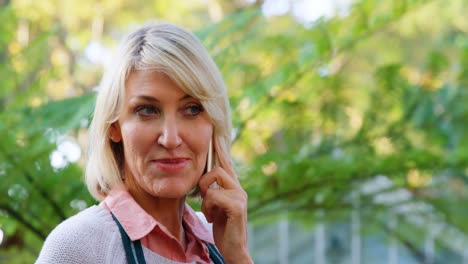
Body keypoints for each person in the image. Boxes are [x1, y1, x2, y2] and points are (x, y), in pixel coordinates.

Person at [36, 22, 252, 264]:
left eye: (192, 109)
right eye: (147, 110)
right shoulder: (78, 246)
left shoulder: (219, 238)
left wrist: (237, 257)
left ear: (213, 123)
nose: (170, 139)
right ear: (114, 127)